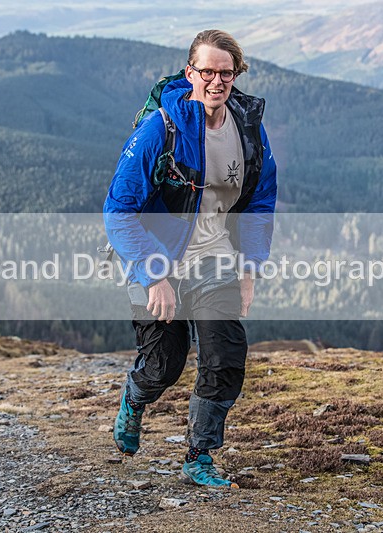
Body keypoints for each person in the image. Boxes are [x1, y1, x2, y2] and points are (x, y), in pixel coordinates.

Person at [103, 29, 277, 488]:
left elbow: (260, 203)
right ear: (190, 73)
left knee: (224, 357)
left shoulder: (247, 131)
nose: (216, 81)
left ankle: (199, 456)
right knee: (165, 364)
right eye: (207, 71)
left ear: (236, 74)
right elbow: (118, 210)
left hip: (215, 258)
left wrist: (249, 269)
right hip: (155, 257)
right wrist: (153, 273)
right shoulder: (162, 127)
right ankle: (135, 399)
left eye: (226, 72)